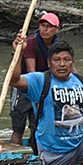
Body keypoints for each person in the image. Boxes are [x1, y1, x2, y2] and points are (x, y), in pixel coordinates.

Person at [9, 12, 61, 146]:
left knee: (37, 124)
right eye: (43, 26)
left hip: (45, 86)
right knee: (18, 126)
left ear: (56, 29)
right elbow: (32, 72)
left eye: (49, 27)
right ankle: (16, 154)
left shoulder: (58, 45)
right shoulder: (31, 42)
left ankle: (37, 151)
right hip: (25, 84)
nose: (45, 29)